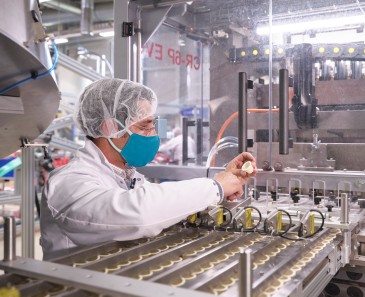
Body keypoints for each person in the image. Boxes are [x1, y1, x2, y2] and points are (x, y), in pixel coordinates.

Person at [40, 78, 257, 260]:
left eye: (154, 125)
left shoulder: (128, 175)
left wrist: (225, 187)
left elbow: (162, 207)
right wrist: (216, 186)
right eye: (145, 126)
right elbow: (138, 214)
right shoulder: (69, 182)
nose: (154, 134)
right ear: (110, 127)